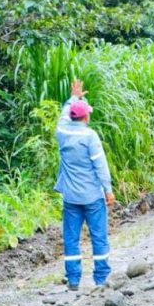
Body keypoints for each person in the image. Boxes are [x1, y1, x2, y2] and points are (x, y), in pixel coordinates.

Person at [55, 79, 116, 291]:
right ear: (85, 117)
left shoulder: (62, 132)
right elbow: (100, 165)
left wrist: (74, 97)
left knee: (71, 239)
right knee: (99, 237)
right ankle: (101, 278)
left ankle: (73, 280)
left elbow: (64, 114)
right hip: (92, 197)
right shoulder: (90, 136)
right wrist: (108, 190)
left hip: (71, 197)